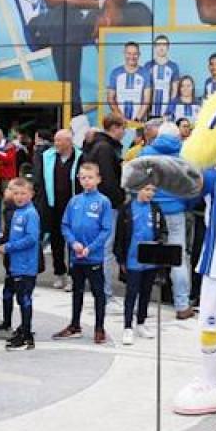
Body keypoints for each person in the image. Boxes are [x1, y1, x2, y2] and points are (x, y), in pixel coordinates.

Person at [139, 120, 196, 319]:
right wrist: (186, 205)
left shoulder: (146, 153)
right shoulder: (185, 155)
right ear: (177, 136)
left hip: (151, 210)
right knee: (178, 257)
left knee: (145, 254)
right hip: (175, 211)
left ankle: (141, 303)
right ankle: (182, 305)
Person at [56, 161, 114, 343]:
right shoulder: (74, 201)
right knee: (77, 291)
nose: (86, 181)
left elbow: (106, 230)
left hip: (93, 257)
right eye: (83, 178)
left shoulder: (103, 202)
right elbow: (65, 225)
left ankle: (99, 328)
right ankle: (75, 325)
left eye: (90, 177)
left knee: (98, 293)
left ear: (98, 179)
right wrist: (73, 242)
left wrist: (91, 248)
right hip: (76, 256)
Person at [113, 182, 166, 345]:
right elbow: (119, 236)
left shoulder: (156, 209)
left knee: (146, 292)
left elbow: (163, 230)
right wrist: (120, 259)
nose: (150, 193)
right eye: (147, 189)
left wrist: (161, 241)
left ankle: (141, 322)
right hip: (132, 259)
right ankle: (127, 327)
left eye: (153, 190)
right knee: (131, 293)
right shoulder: (126, 209)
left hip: (150, 260)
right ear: (137, 190)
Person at [82, 113, 125, 304]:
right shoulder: (106, 148)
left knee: (99, 247)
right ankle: (104, 292)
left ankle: (100, 290)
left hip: (96, 202)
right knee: (106, 249)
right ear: (115, 128)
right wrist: (119, 199)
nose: (124, 132)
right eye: (122, 128)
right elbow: (108, 179)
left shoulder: (96, 145)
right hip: (108, 204)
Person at [33, 128, 80, 290]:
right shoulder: (47, 156)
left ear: (69, 142)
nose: (56, 143)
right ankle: (60, 273)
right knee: (56, 242)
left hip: (73, 207)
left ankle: (74, 276)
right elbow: (39, 180)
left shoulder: (80, 157)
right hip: (53, 206)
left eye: (59, 140)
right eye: (55, 140)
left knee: (73, 242)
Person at [0, 177, 40, 351]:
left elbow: (31, 239)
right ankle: (22, 331)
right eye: (16, 193)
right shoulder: (17, 212)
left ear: (31, 194)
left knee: (25, 299)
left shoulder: (30, 214)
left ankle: (27, 337)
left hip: (26, 265)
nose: (19, 197)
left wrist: (8, 247)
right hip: (16, 264)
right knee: (20, 298)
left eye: (23, 193)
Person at [107, 41, 151, 124]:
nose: (132, 57)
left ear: (139, 55)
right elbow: (110, 98)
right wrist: (121, 118)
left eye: (135, 54)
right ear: (124, 54)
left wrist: (136, 120)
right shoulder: (115, 72)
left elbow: (147, 100)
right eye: (129, 53)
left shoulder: (145, 73)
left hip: (139, 121)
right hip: (119, 122)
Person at [146, 35, 180, 119]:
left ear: (168, 47)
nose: (161, 48)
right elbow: (144, 90)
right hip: (150, 110)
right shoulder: (148, 65)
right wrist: (146, 108)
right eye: (159, 45)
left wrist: (169, 110)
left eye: (164, 45)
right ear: (155, 47)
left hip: (166, 112)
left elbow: (175, 91)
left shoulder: (173, 66)